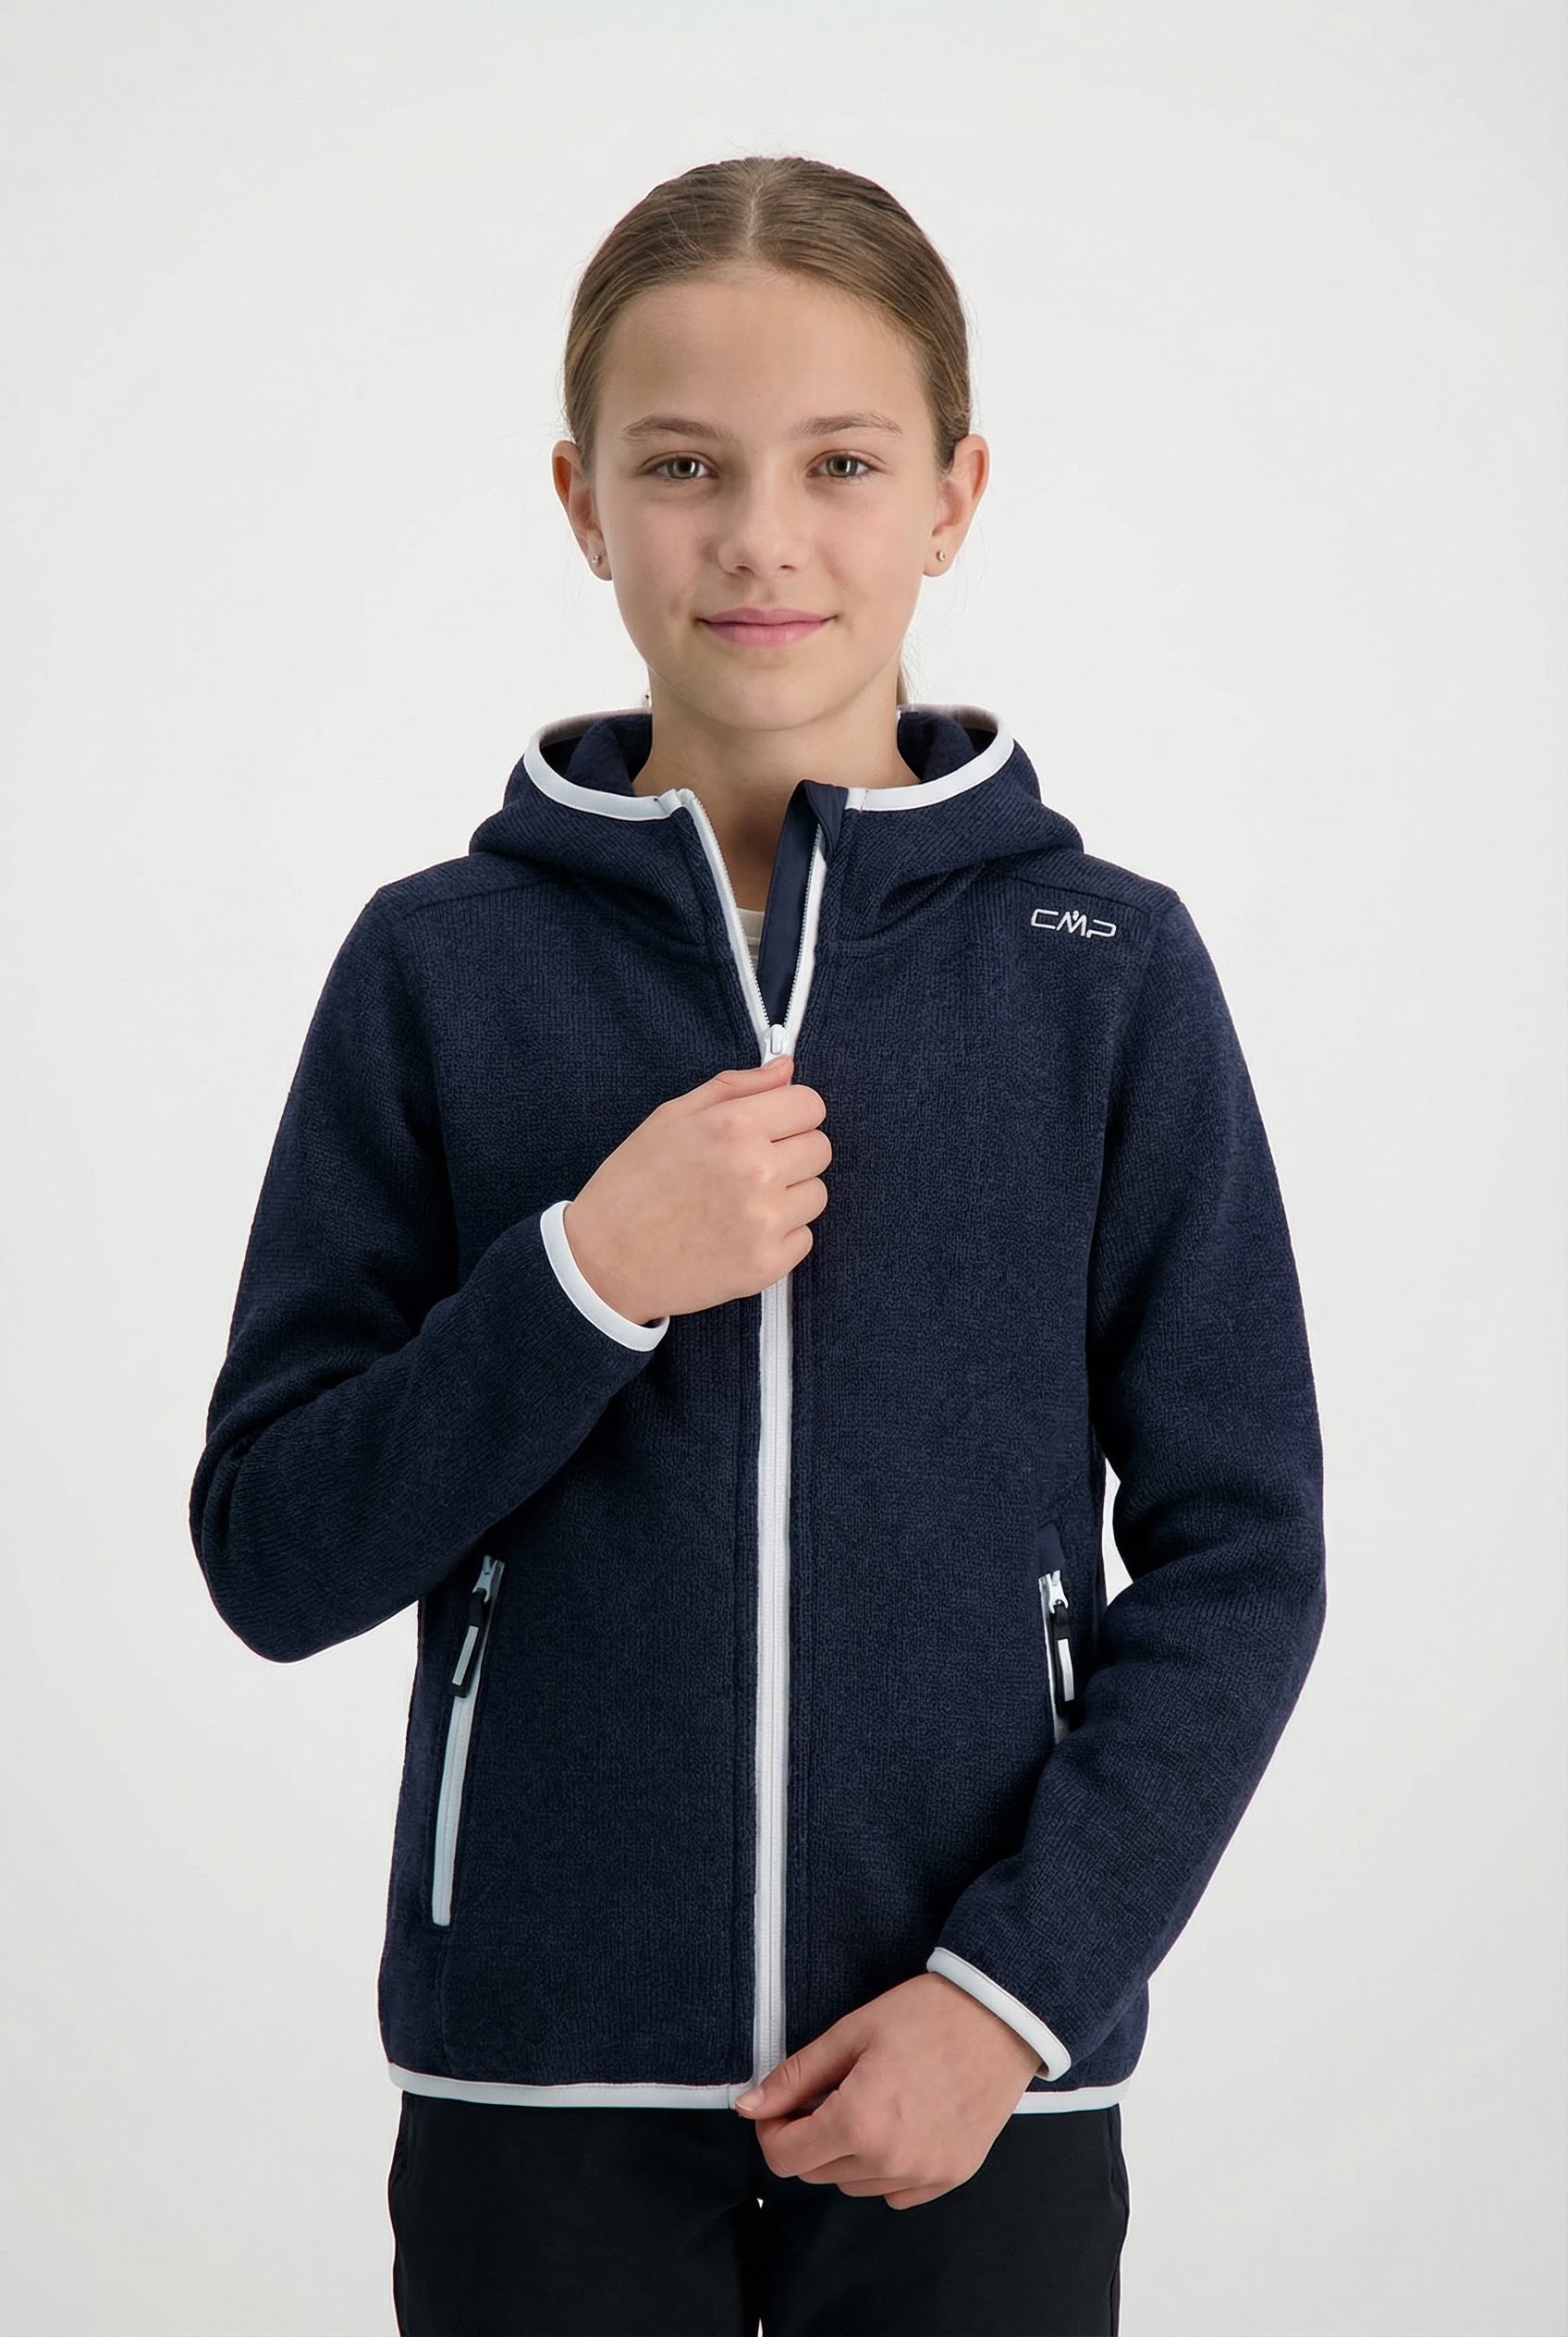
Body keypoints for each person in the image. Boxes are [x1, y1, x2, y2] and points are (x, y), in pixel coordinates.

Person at [190, 153, 1326, 2337]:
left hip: (971, 2083)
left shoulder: (1102, 973)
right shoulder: (437, 969)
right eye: (683, 464)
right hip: (534, 2080)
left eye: (840, 463)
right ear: (580, 498)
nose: (761, 538)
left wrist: (1009, 1993)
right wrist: (584, 1279)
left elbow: (1243, 1552)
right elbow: (274, 1550)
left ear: (953, 494)